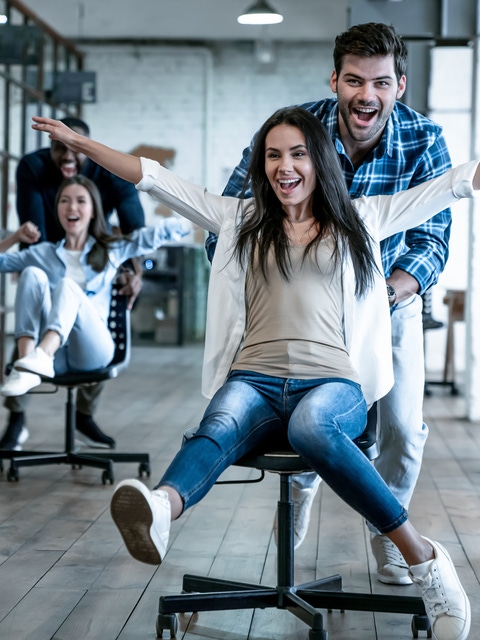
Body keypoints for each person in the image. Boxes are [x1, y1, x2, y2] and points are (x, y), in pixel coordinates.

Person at [30, 108, 476, 640]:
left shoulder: (361, 217)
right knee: (220, 419)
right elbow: (151, 176)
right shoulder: (239, 218)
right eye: (272, 155)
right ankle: (160, 509)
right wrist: (80, 142)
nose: (284, 167)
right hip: (256, 379)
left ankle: (423, 558)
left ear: (320, 160)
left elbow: (451, 186)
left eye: (296, 154)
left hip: (332, 384)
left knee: (312, 427)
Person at [206, 22, 453, 586]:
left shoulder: (424, 140)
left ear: (400, 86)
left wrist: (383, 295)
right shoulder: (295, 131)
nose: (367, 95)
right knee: (306, 416)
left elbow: (431, 242)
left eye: (381, 83)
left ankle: (389, 538)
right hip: (301, 299)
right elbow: (227, 220)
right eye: (354, 80)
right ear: (335, 80)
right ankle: (298, 499)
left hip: (390, 299)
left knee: (402, 428)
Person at [0, 116, 146, 452]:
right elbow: (33, 231)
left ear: (88, 149)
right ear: (48, 149)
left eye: (74, 150)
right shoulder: (32, 168)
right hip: (53, 248)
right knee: (31, 312)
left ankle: (84, 415)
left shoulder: (110, 167)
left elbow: (133, 227)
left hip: (96, 248)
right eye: (58, 149)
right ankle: (16, 418)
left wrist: (133, 271)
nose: (67, 157)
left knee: (100, 317)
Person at [0, 175, 187, 401]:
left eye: (81, 201)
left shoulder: (111, 249)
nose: (72, 207)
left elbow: (153, 236)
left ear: (93, 211)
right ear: (57, 210)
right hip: (55, 360)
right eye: (64, 201)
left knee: (68, 286)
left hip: (93, 349)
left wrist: (192, 221)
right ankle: (27, 366)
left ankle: (41, 355)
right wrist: (16, 236)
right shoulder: (42, 253)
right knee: (31, 273)